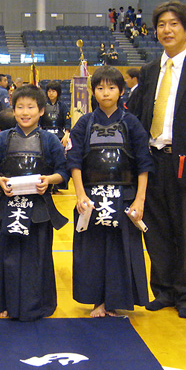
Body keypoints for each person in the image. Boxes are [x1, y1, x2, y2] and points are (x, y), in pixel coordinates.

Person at [127, 0, 186, 319]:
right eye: (161, 25)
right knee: (155, 229)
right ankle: (164, 289)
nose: (166, 30)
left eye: (173, 24)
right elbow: (140, 117)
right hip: (153, 161)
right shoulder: (149, 69)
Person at [68, 66, 153, 317]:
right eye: (100, 88)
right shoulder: (84, 122)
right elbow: (73, 161)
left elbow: (144, 162)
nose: (106, 93)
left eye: (112, 87)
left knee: (120, 250)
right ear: (93, 92)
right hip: (92, 198)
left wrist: (140, 199)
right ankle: (97, 301)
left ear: (122, 91)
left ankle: (115, 301)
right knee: (93, 251)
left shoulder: (131, 123)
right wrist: (80, 195)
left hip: (124, 196)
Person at [0, 85, 69, 321]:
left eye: (30, 107)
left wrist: (48, 180)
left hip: (39, 208)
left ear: (41, 110)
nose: (25, 112)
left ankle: (37, 304)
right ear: (13, 109)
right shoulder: (3, 138)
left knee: (36, 257)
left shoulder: (50, 140)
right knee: (6, 256)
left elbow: (63, 173)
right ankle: (5, 302)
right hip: (9, 206)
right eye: (19, 107)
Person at [40, 80, 70, 144]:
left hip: (59, 135)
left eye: (53, 91)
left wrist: (66, 134)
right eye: (49, 91)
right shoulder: (43, 106)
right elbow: (38, 122)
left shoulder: (63, 106)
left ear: (58, 92)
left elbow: (67, 122)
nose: (51, 93)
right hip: (45, 134)